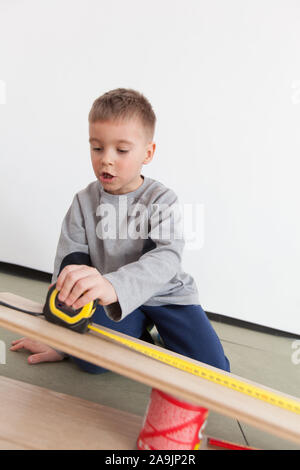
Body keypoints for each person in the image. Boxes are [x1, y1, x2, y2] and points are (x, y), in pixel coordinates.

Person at [10, 88, 230, 374]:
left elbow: (165, 259)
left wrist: (113, 285)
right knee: (87, 360)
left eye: (121, 150)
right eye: (97, 148)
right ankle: (137, 332)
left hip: (165, 297)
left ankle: (165, 331)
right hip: (111, 301)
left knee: (213, 371)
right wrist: (59, 338)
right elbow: (69, 267)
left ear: (148, 152)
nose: (106, 159)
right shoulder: (83, 202)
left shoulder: (161, 199)